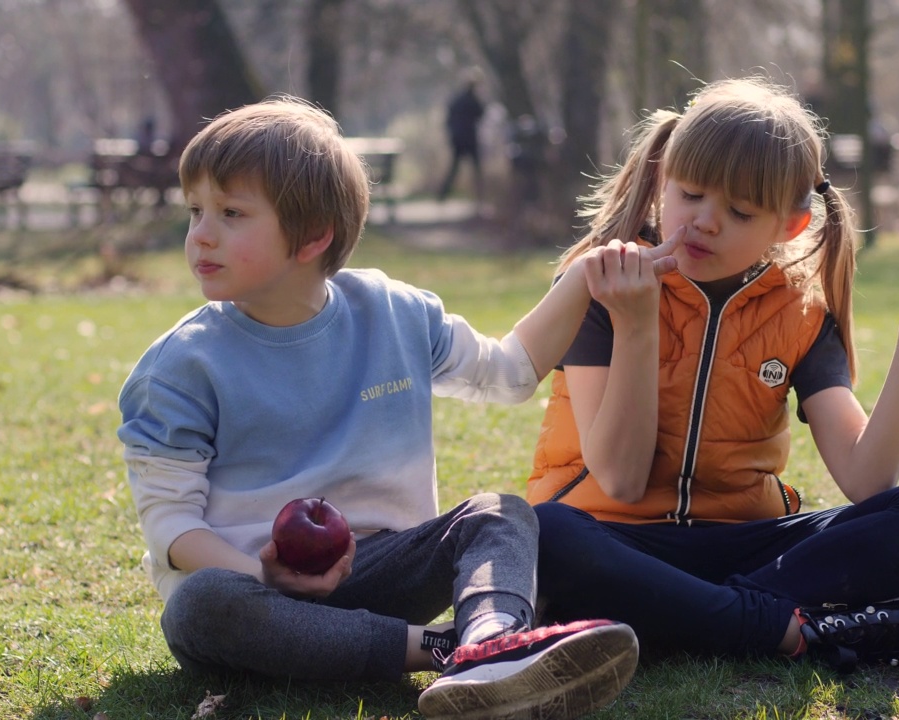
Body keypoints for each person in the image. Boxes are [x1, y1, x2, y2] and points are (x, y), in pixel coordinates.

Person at [116, 96, 678, 719]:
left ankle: (493, 640)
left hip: (381, 574)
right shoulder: (180, 365)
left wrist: (583, 277)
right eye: (195, 211)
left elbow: (510, 373)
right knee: (198, 605)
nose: (201, 234)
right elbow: (172, 530)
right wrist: (266, 577)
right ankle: (453, 654)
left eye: (231, 213)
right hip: (252, 596)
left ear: (313, 236)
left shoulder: (396, 314)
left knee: (500, 514)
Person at [526, 77, 899, 674]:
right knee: (540, 534)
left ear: (791, 225)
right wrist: (637, 322)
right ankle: (796, 629)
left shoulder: (802, 311)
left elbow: (868, 477)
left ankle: (692, 617)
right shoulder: (602, 281)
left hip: (746, 546)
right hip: (615, 539)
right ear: (660, 184)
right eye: (692, 194)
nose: (705, 221)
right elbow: (620, 481)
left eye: (740, 211)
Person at [437, 68, 486, 202]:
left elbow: (448, 119)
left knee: (454, 168)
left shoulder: (457, 100)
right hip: (469, 138)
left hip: (457, 139)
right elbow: (481, 113)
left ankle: (442, 194)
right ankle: (480, 195)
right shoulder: (472, 100)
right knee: (476, 168)